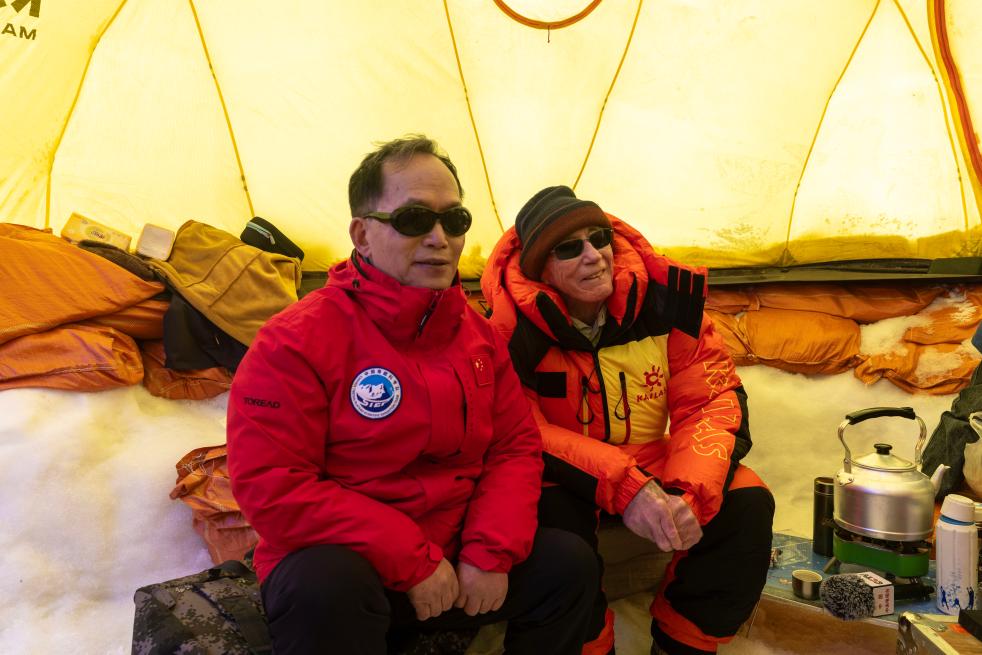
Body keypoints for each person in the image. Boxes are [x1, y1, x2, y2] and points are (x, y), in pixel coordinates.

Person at [227, 140, 598, 654]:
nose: (439, 239)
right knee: (325, 586)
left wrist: (488, 552)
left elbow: (513, 448)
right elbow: (274, 486)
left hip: (456, 557)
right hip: (355, 565)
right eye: (414, 220)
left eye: (455, 220)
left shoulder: (480, 338)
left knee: (569, 566)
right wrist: (412, 560)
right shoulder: (294, 341)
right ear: (362, 235)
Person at [480, 185, 776, 655]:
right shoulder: (509, 329)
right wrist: (624, 487)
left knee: (747, 498)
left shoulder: (665, 304)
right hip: (562, 473)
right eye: (569, 248)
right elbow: (521, 430)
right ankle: (590, 647)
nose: (593, 256)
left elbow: (711, 399)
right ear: (541, 270)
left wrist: (688, 493)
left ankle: (684, 642)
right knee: (551, 524)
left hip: (650, 458)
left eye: (599, 239)